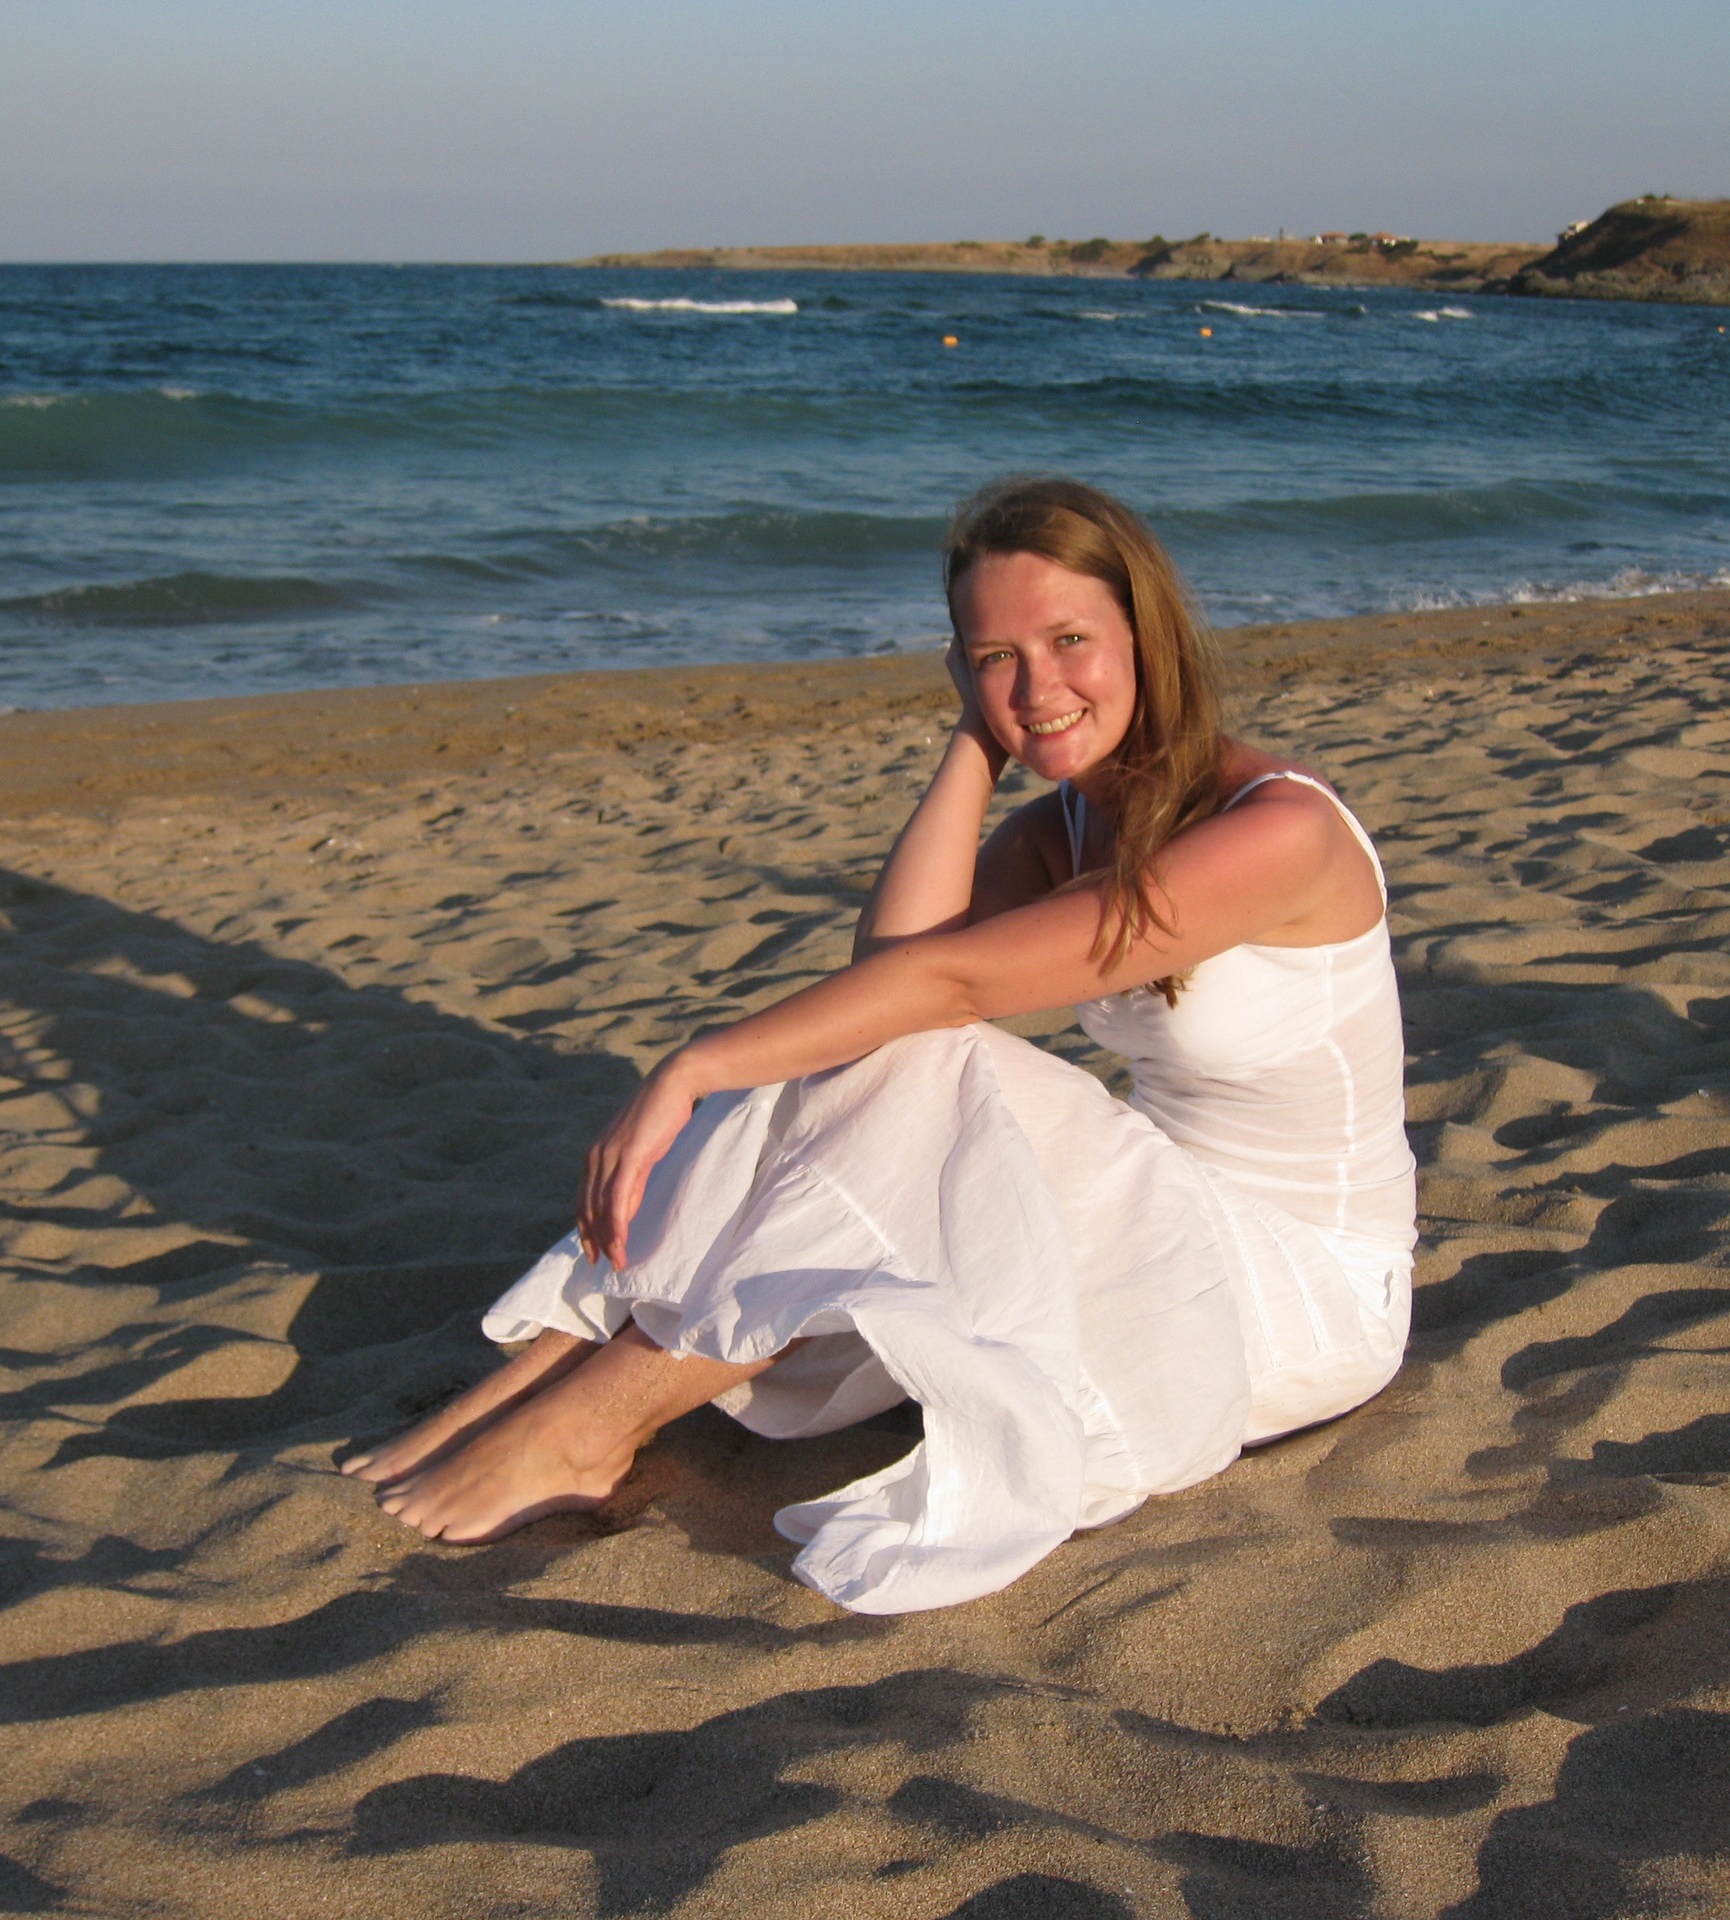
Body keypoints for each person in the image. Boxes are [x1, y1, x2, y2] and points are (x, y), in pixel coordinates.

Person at [341, 477, 1417, 1614]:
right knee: (871, 1053)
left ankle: (584, 1424)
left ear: (1145, 634)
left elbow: (942, 986)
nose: (1037, 687)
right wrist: (975, 742)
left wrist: (691, 1067)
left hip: (1305, 1292)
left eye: (1069, 641)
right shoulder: (1063, 828)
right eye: (994, 657)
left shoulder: (1278, 830)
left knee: (922, 1057)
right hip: (1168, 1215)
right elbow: (887, 969)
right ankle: (536, 1389)